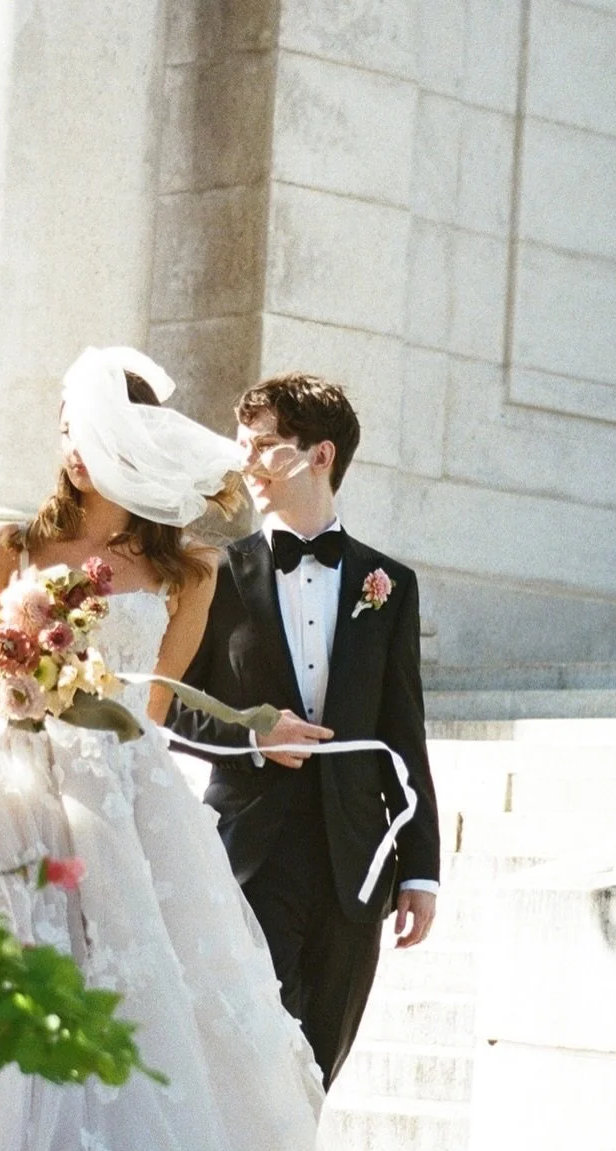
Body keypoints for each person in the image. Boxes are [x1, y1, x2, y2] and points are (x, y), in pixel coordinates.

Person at [0, 348, 368, 1151]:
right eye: (68, 431)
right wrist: (14, 697)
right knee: (14, 1032)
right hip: (17, 804)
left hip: (119, 806)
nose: (73, 449)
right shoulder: (10, 545)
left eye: (92, 430)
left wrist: (83, 708)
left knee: (144, 1023)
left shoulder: (188, 570)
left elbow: (151, 712)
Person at [168, 373, 440, 1092]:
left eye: (266, 448)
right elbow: (167, 707)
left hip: (357, 859)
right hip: (251, 853)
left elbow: (404, 733)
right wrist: (256, 736)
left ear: (320, 455)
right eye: (243, 447)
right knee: (253, 1061)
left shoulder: (391, 585)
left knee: (319, 1068)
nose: (247, 464)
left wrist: (420, 870)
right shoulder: (216, 574)